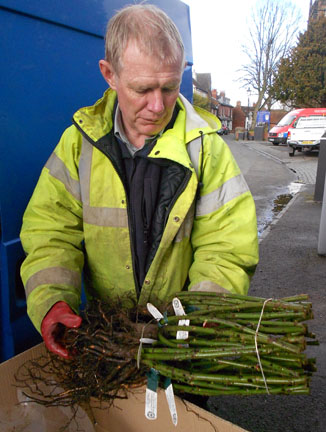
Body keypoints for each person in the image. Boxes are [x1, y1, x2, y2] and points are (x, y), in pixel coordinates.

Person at [20, 4, 259, 360]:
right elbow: (50, 235)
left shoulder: (207, 151)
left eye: (170, 87)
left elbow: (227, 245)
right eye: (143, 88)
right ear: (109, 74)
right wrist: (52, 300)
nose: (158, 105)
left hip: (183, 342)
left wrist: (209, 306)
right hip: (107, 338)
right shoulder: (77, 146)